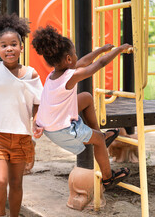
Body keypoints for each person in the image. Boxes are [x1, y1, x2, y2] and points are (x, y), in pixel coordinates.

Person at [31, 25, 131, 190]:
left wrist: (101, 49)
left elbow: (84, 61)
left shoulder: (54, 74)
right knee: (97, 141)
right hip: (60, 129)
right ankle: (108, 178)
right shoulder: (71, 75)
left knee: (86, 98)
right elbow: (99, 64)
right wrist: (119, 49)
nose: (78, 57)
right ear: (69, 59)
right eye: (75, 53)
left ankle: (99, 137)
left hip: (49, 124)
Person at [0, 13, 43, 217]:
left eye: (13, 44)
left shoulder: (32, 74)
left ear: (21, 47)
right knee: (0, 180)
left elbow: (37, 103)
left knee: (16, 183)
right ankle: (0, 215)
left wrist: (37, 123)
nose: (9, 49)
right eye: (4, 46)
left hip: (22, 137)